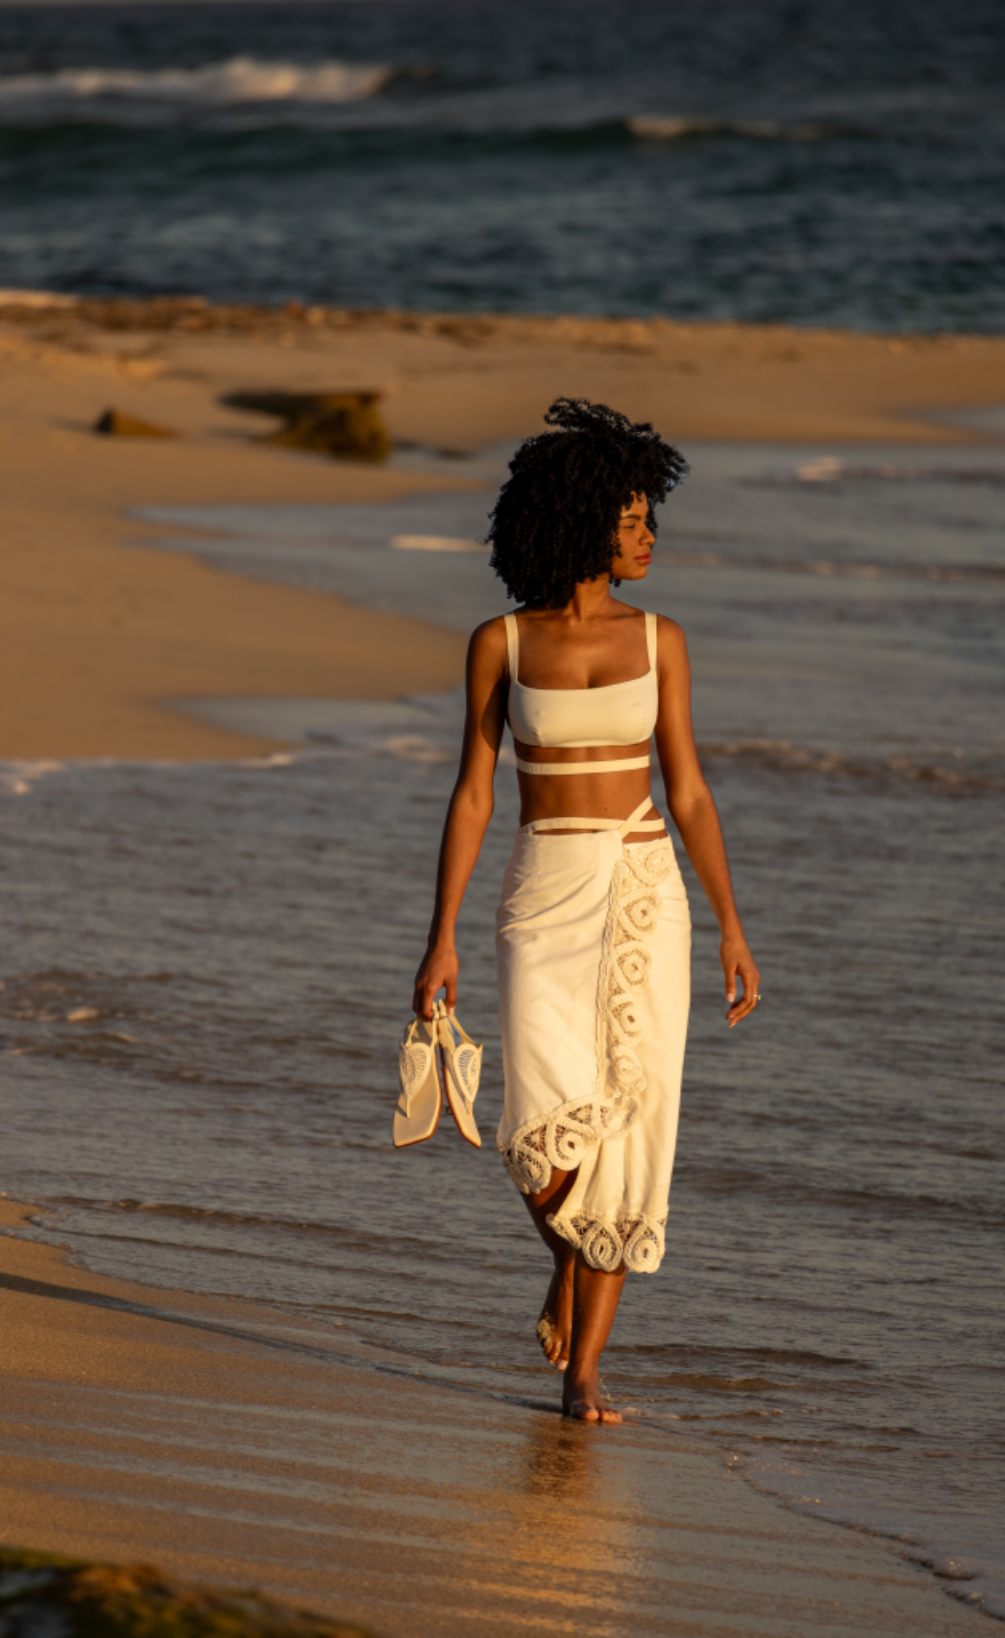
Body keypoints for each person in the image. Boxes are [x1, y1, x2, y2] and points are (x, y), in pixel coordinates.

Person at [412, 398, 760, 1424]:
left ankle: (585, 1377)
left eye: (652, 520)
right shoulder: (502, 645)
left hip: (645, 891)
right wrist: (440, 938)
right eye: (634, 519)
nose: (651, 537)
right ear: (581, 522)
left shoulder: (663, 641)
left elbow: (689, 789)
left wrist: (732, 925)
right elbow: (474, 792)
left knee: (632, 1124)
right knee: (533, 1129)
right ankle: (571, 1260)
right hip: (541, 892)